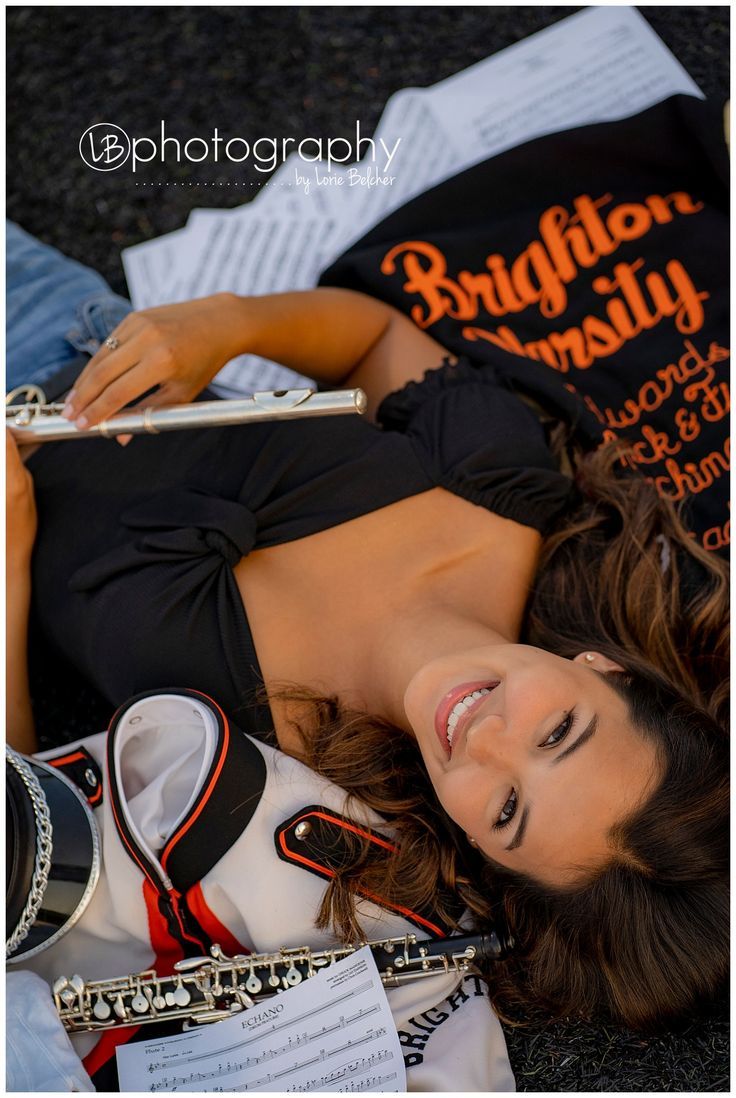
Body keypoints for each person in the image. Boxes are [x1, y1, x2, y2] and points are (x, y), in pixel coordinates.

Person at [5, 98, 729, 1042]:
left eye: (508, 811)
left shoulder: (284, 787)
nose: (488, 740)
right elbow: (373, 338)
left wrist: (8, 561)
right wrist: (227, 327)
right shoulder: (501, 497)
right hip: (59, 326)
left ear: (484, 852)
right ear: (608, 672)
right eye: (559, 732)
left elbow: (24, 821)